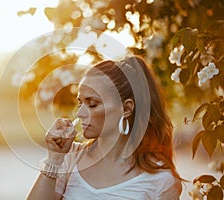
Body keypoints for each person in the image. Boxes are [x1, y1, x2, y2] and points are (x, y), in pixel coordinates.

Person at [27, 56, 182, 199]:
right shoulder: (71, 157)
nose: (80, 113)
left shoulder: (161, 181)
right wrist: (54, 158)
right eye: (80, 102)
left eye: (92, 104)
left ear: (126, 108)